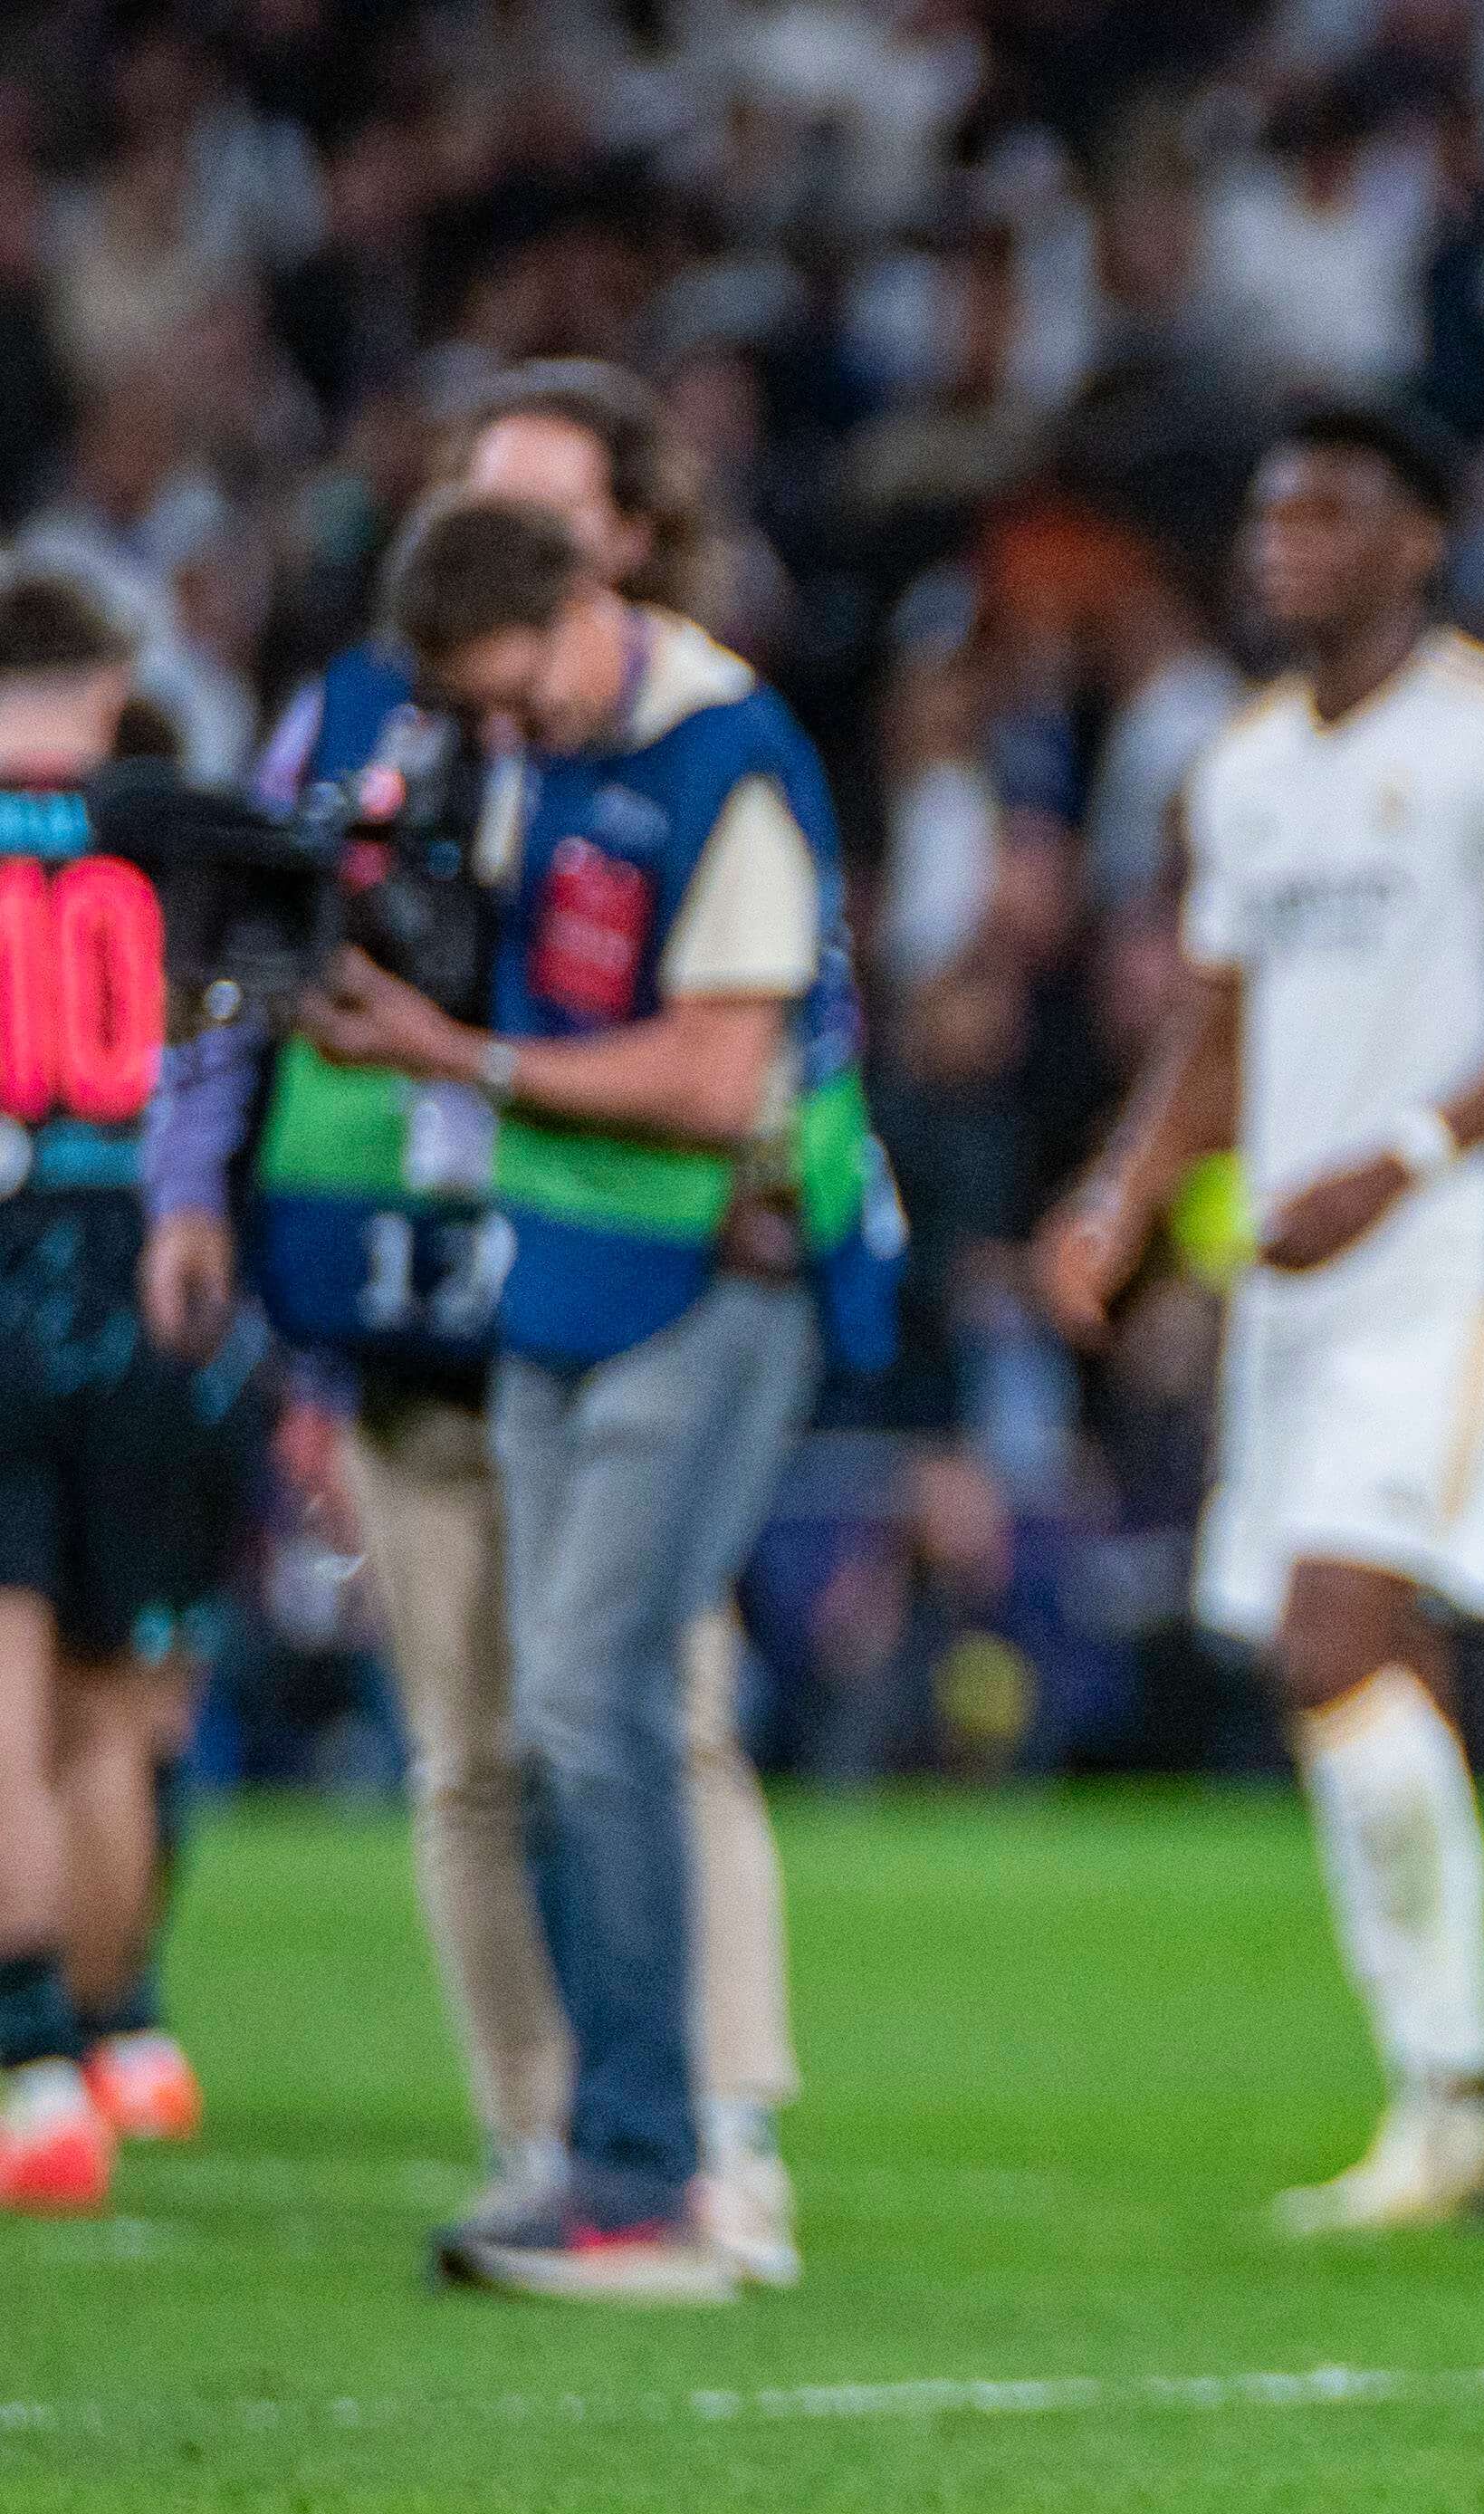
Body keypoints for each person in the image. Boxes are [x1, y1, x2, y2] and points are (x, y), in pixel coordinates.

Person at [145, 361, 812, 2279]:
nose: (512, 528)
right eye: (482, 491)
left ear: (628, 536)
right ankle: (550, 2129)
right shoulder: (351, 713)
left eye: (554, 502)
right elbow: (246, 955)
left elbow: (731, 1037)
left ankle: (712, 2126)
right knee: (469, 1742)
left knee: (650, 1714)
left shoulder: (686, 735)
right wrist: (198, 1191)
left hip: (607, 1257)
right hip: (395, 1278)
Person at [296, 493, 887, 2305]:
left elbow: (720, 1080)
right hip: (555, 1274)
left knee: (595, 1691)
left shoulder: (734, 762)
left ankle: (660, 2175)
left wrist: (453, 1054)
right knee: (554, 1715)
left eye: (524, 699)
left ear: (590, 601)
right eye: (482, 713)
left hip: (715, 1268)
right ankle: (604, 2154)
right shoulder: (534, 749)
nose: (512, 736)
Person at [1036, 406, 1484, 2233]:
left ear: (1419, 540)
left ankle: (1457, 2090)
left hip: (1449, 1263)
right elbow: (1214, 1022)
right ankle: (1448, 2106)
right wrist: (1121, 1196)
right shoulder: (1244, 763)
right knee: (1357, 1671)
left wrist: (1406, 1152)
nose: (1287, 541)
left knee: (1328, 1630)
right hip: (1296, 1275)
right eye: (1274, 512)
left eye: (1333, 512)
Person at [0, 565, 257, 2215]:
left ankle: (28, 2072)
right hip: (157, 1283)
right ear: (109, 684)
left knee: (4, 1704)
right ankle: (126, 2041)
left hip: (11, 1263)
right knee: (114, 1714)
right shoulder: (187, 839)